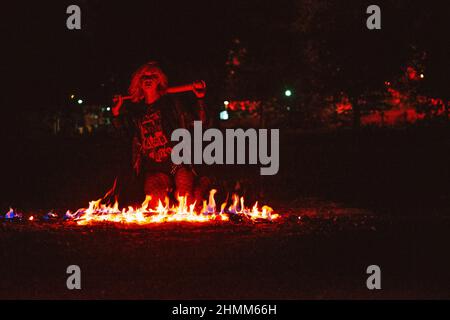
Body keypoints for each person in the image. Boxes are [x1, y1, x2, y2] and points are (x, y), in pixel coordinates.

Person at [113, 61, 209, 207]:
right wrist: (116, 113)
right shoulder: (136, 112)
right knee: (155, 204)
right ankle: (170, 198)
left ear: (159, 80)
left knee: (188, 203)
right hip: (154, 167)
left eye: (153, 75)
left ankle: (199, 187)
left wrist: (200, 99)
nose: (148, 79)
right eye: (144, 76)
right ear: (139, 82)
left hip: (178, 163)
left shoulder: (172, 104)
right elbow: (124, 134)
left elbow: (198, 122)